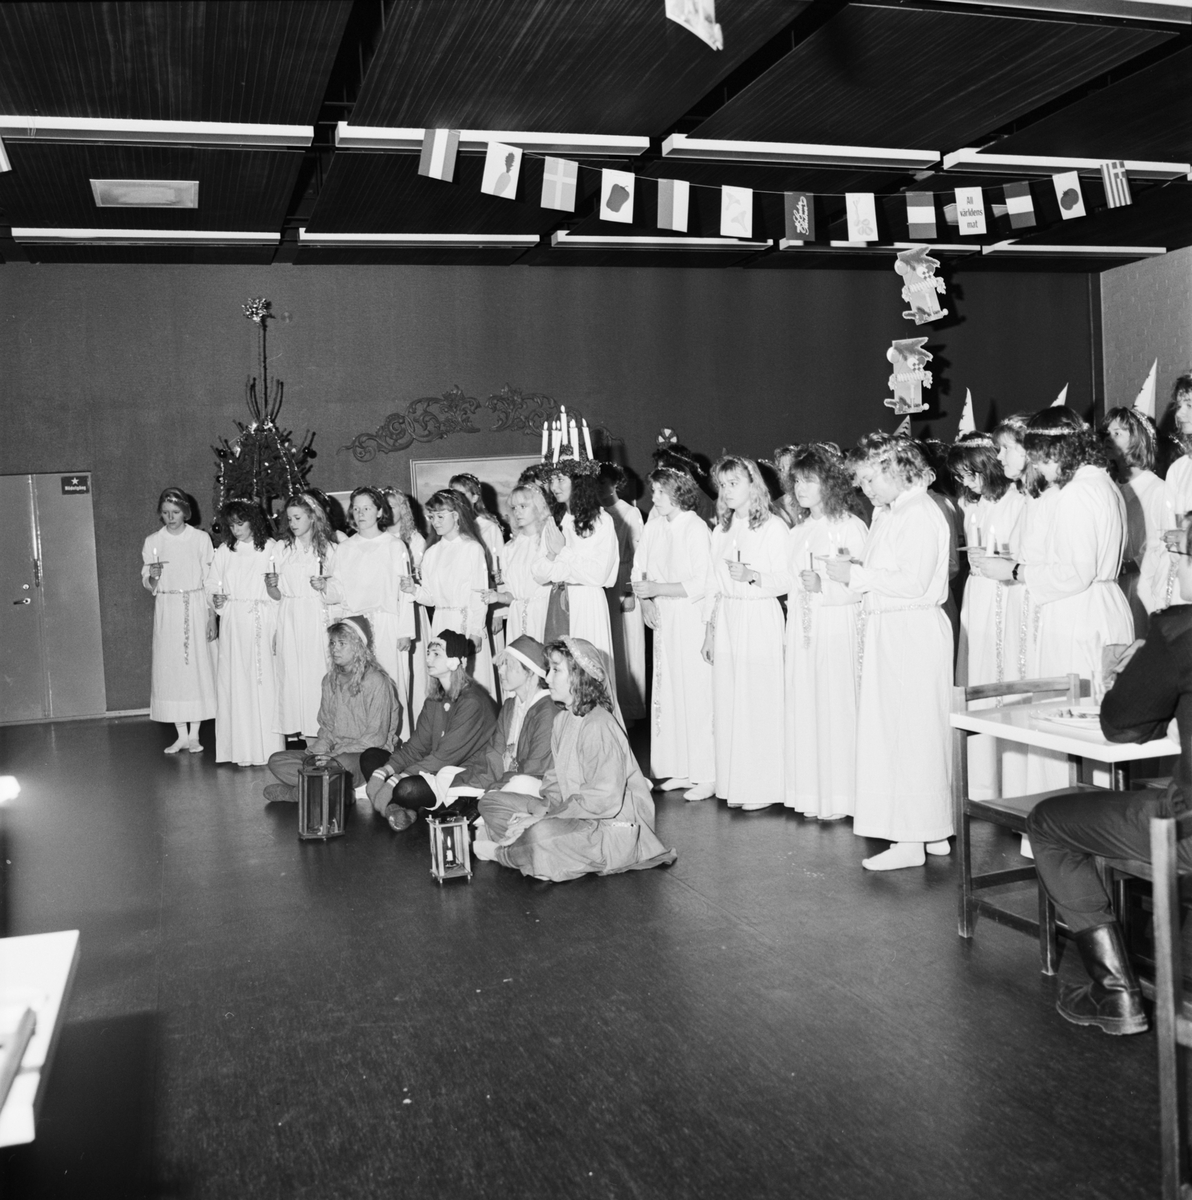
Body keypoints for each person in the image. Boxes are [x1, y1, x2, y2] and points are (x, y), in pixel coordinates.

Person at [1025, 519, 1192, 1036]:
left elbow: (1121, 727)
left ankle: (1115, 991)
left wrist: (1139, 672)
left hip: (1186, 829)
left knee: (1048, 821)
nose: (1175, 565)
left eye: (1181, 555)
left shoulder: (1180, 630)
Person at [982, 408, 1133, 795]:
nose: (1037, 466)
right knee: (1095, 713)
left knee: (1069, 718)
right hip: (1101, 604)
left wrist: (1016, 571)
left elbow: (1073, 573)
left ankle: (1066, 811)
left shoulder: (1077, 492)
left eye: (1038, 456)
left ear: (1056, 450)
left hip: (1078, 612)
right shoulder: (1102, 482)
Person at [827, 437, 953, 870]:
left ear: (896, 469)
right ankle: (931, 828)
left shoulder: (917, 512)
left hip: (909, 629)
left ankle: (910, 839)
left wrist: (857, 575)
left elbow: (913, 581)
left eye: (869, 479)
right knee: (910, 731)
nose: (864, 489)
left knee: (908, 733)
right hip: (896, 627)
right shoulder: (893, 512)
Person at [474, 638, 677, 882]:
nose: (547, 678)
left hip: (607, 829)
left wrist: (542, 820)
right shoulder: (562, 720)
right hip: (571, 816)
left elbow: (603, 801)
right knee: (491, 803)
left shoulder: (599, 724)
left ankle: (505, 854)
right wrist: (540, 811)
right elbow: (554, 784)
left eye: (556, 670)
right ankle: (534, 852)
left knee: (541, 834)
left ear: (578, 677)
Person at [702, 456, 790, 810]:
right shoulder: (720, 530)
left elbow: (787, 579)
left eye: (733, 483)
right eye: (722, 485)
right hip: (728, 617)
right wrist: (709, 630)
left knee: (757, 700)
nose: (726, 491)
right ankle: (734, 782)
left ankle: (763, 787)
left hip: (758, 615)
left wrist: (753, 576)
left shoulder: (773, 527)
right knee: (729, 699)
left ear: (753, 484)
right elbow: (712, 584)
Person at [785, 445, 868, 820]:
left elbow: (861, 585)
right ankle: (812, 793)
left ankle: (842, 796)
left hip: (836, 625)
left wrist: (824, 586)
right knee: (808, 705)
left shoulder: (848, 526)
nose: (801, 488)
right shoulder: (799, 530)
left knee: (836, 706)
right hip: (804, 629)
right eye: (797, 481)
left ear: (829, 483)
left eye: (810, 480)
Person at [949, 432, 1027, 800]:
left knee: (1003, 669)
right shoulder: (974, 506)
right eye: (960, 476)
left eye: (970, 474)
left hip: (1006, 593)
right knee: (978, 670)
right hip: (978, 594)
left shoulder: (1018, 501)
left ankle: (1009, 778)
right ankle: (980, 780)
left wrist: (1000, 560)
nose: (966, 483)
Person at [631, 466, 715, 801]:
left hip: (690, 615)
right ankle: (681, 768)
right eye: (654, 491)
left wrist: (658, 589)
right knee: (669, 693)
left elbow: (702, 581)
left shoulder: (695, 527)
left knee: (695, 692)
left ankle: (706, 773)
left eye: (661, 492)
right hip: (664, 616)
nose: (655, 498)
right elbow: (639, 569)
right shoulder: (654, 527)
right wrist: (646, 601)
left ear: (679, 492)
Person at [361, 630, 498, 832]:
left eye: (436, 654)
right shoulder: (435, 698)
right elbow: (416, 747)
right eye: (428, 653)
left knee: (405, 788)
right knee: (370, 757)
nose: (428, 659)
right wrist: (386, 771)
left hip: (460, 775)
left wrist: (396, 779)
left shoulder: (472, 702)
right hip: (433, 766)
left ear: (454, 661)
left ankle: (403, 804)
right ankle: (395, 811)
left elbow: (444, 759)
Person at [263, 617, 400, 801]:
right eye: (333, 643)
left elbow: (375, 738)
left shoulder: (377, 681)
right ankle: (329, 788)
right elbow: (326, 726)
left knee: (338, 764)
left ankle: (297, 794)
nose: (335, 648)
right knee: (276, 761)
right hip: (335, 753)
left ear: (358, 646)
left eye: (342, 643)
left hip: (366, 756)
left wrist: (335, 754)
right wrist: (318, 752)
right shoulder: (329, 680)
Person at [206, 499, 284, 766]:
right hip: (234, 621)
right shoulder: (225, 551)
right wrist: (216, 599)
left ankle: (268, 750)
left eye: (241, 523)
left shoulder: (271, 548)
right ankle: (240, 750)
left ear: (254, 521)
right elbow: (211, 584)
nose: (236, 530)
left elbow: (280, 588)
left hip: (263, 619)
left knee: (263, 681)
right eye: (232, 525)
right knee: (236, 682)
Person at [333, 487, 416, 736]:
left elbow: (405, 591)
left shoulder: (394, 546)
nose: (360, 513)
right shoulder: (345, 548)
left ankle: (395, 739)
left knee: (389, 681)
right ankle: (359, 739)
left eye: (367, 508)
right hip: (355, 626)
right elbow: (338, 590)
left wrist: (405, 631)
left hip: (386, 623)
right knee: (357, 683)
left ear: (379, 511)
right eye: (356, 508)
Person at [534, 464, 620, 699]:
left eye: (561, 479)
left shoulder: (601, 520)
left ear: (579, 481)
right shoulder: (556, 520)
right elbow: (538, 573)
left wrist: (563, 552)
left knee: (586, 670)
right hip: (557, 602)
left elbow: (598, 574)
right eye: (552, 480)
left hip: (586, 602)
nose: (554, 486)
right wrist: (553, 556)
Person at [141, 487, 217, 753]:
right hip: (169, 609)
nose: (170, 518)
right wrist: (154, 576)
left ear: (185, 512)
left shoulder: (200, 539)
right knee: (172, 671)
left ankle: (195, 735)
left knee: (196, 669)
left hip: (196, 607)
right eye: (165, 513)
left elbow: (210, 579)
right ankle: (180, 734)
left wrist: (211, 616)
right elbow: (148, 583)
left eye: (175, 512)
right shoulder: (153, 541)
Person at [404, 489, 495, 700]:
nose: (435, 522)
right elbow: (431, 598)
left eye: (440, 516)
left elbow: (479, 594)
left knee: (469, 680)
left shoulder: (472, 548)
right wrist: (414, 590)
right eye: (432, 516)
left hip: (466, 621)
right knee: (444, 680)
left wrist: (476, 630)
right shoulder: (431, 553)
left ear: (456, 515)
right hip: (441, 621)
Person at [267, 493, 338, 739]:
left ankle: (322, 737)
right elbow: (276, 596)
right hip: (289, 616)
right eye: (289, 519)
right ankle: (307, 742)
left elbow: (339, 590)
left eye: (298, 518)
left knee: (317, 674)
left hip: (316, 616)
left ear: (312, 517)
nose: (293, 523)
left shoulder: (330, 549)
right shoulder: (282, 549)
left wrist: (324, 586)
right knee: (292, 677)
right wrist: (271, 586)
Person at [472, 636, 557, 841]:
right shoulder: (510, 706)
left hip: (540, 786)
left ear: (531, 672)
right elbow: (494, 753)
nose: (500, 671)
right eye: (501, 665)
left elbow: (536, 768)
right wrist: (484, 786)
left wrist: (493, 791)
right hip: (509, 781)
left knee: (519, 782)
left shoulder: (547, 709)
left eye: (508, 666)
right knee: (454, 781)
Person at [1101, 405, 1164, 637]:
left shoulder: (1156, 489)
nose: (1109, 439)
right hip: (1113, 587)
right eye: (1107, 433)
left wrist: (1127, 565)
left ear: (1137, 439)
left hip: (1141, 588)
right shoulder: (1109, 487)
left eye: (1117, 433)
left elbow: (1160, 547)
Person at [597, 462, 647, 722]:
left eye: (604, 483)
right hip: (604, 584)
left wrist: (630, 591)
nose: (600, 489)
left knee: (628, 645)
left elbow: (639, 555)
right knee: (610, 645)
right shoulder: (597, 513)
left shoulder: (630, 512)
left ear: (615, 484)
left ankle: (632, 709)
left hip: (624, 581)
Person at [484, 482, 552, 643]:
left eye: (523, 506)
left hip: (544, 614)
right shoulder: (510, 548)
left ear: (538, 506)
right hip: (517, 617)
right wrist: (497, 596)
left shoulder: (549, 540)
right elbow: (512, 595)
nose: (517, 512)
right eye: (514, 508)